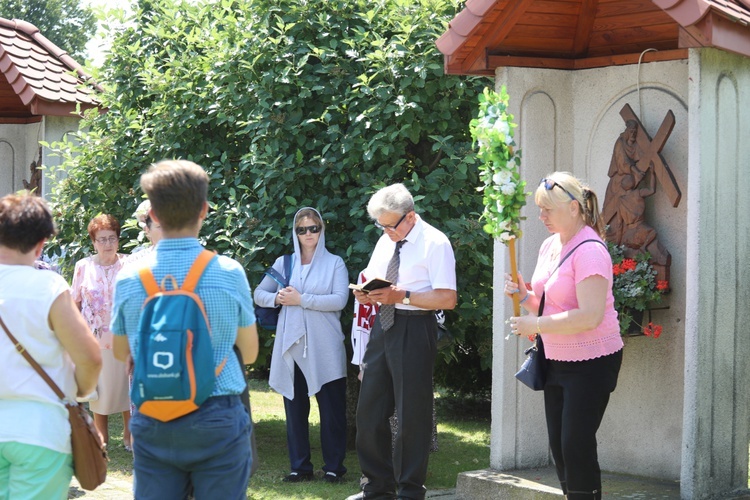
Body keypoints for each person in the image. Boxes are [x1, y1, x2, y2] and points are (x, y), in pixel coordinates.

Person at [111, 159, 258, 499]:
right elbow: (249, 353)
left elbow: (121, 352)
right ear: (204, 210)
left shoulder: (130, 277)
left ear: (155, 216)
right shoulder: (228, 271)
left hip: (154, 415)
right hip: (218, 412)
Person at [505, 172, 624, 500]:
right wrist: (523, 294)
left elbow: (590, 316)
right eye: (539, 209)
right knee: (559, 445)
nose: (541, 216)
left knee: (576, 444)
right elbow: (545, 304)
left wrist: (536, 326)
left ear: (574, 208)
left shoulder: (591, 252)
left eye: (548, 209)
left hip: (593, 360)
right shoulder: (548, 245)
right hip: (556, 357)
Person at [351, 183, 457, 500]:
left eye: (390, 225)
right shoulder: (386, 240)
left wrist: (404, 296)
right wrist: (364, 292)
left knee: (412, 414)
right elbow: (371, 276)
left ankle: (410, 491)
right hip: (383, 326)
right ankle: (376, 487)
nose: (385, 232)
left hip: (415, 327)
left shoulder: (435, 243)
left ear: (410, 216)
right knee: (368, 411)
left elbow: (448, 297)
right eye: (380, 225)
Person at [0, 193, 102, 499]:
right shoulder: (48, 286)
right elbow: (90, 358)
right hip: (40, 431)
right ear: (42, 242)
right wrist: (79, 392)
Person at [254, 207, 349, 483]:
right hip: (291, 347)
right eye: (302, 229)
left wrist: (302, 299)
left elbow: (340, 300)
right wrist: (278, 299)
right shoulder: (285, 263)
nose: (308, 234)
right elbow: (259, 294)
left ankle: (334, 468)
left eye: (313, 228)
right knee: (295, 412)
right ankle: (300, 467)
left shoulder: (335, 263)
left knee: (332, 412)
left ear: (322, 229)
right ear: (295, 233)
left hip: (325, 347)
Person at [71, 214, 131, 449]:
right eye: (102, 239)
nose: (108, 244)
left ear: (118, 240)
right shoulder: (83, 267)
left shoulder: (131, 264)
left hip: (124, 340)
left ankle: (129, 434)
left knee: (127, 390)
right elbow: (74, 302)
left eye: (112, 238)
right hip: (94, 341)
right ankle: (101, 437)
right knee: (99, 394)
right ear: (93, 242)